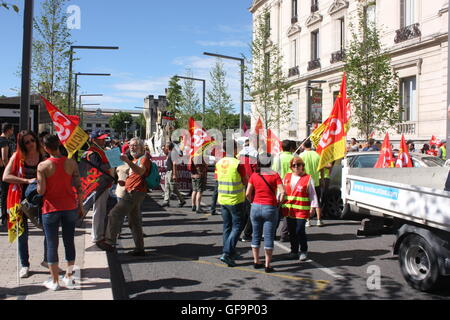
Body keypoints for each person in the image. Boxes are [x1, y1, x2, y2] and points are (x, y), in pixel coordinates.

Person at [36, 135, 83, 291]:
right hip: (69, 206)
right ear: (58, 145)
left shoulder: (43, 166)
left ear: (45, 148)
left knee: (51, 243)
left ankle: (55, 281)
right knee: (69, 241)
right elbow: (78, 186)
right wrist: (80, 206)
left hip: (50, 208)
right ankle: (69, 278)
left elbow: (41, 191)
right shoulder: (71, 163)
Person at [97, 138, 151, 256]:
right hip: (132, 191)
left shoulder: (144, 159)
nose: (132, 147)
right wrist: (123, 182)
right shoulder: (137, 159)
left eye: (135, 145)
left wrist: (128, 161)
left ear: (142, 147)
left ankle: (110, 242)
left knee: (114, 214)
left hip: (134, 192)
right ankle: (139, 249)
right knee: (134, 221)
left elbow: (141, 172)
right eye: (130, 145)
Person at [3, 130, 45, 278]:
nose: (31, 144)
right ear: (22, 144)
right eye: (27, 142)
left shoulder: (43, 155)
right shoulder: (17, 156)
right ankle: (24, 264)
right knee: (22, 232)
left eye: (32, 140)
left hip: (40, 199)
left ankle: (48, 260)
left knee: (47, 228)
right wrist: (27, 181)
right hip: (19, 199)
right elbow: (6, 176)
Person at [246, 153, 285, 273]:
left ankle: (256, 260)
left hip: (256, 206)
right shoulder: (275, 175)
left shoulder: (254, 175)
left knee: (256, 235)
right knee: (268, 236)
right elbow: (282, 192)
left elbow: (247, 193)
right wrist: (278, 201)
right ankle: (268, 265)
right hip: (270, 207)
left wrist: (252, 202)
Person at [281, 157, 319, 261]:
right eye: (294, 165)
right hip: (289, 210)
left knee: (299, 230)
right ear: (291, 167)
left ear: (303, 166)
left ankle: (303, 251)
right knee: (292, 232)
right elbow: (281, 191)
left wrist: (313, 207)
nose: (296, 167)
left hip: (301, 210)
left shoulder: (308, 178)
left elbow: (313, 194)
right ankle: (294, 251)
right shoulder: (287, 176)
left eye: (299, 164)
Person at [216, 140, 246, 267]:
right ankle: (227, 253)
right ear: (234, 149)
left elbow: (218, 179)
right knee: (238, 226)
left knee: (227, 227)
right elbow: (245, 181)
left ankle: (229, 251)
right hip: (236, 200)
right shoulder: (238, 163)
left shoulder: (219, 163)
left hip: (223, 199)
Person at [83, 129, 113, 244]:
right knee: (99, 211)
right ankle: (97, 236)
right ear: (94, 140)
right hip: (98, 185)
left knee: (101, 210)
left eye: (104, 139)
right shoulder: (93, 153)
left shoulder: (97, 151)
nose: (103, 141)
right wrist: (112, 161)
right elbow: (99, 168)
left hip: (101, 184)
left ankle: (98, 234)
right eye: (101, 139)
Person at [271, 140, 294, 242]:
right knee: (287, 212)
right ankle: (284, 234)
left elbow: (273, 172)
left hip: (278, 188)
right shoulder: (294, 158)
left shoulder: (277, 158)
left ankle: (272, 233)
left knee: (276, 212)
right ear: (290, 148)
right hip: (291, 188)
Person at [299, 140, 323, 227]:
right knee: (317, 201)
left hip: (305, 182)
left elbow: (298, 169)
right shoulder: (317, 155)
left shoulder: (301, 156)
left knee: (306, 202)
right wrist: (322, 179)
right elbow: (321, 167)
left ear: (303, 145)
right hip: (316, 181)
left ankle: (308, 220)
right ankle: (319, 220)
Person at [238, 138, 258, 242]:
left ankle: (238, 232)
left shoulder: (240, 154)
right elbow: (256, 169)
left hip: (242, 183)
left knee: (245, 210)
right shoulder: (254, 154)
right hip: (252, 183)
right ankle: (247, 233)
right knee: (251, 210)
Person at [162, 142, 186, 208]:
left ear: (168, 147)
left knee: (173, 188)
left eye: (166, 147)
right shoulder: (170, 153)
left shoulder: (173, 153)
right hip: (168, 171)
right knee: (167, 187)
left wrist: (174, 174)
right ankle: (166, 201)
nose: (165, 148)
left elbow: (174, 164)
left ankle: (182, 200)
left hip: (171, 172)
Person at [0, 123, 14, 226]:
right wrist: (7, 170)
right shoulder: (4, 141)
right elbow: (4, 157)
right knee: (4, 193)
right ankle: (4, 216)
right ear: (8, 130)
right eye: (12, 130)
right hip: (2, 170)